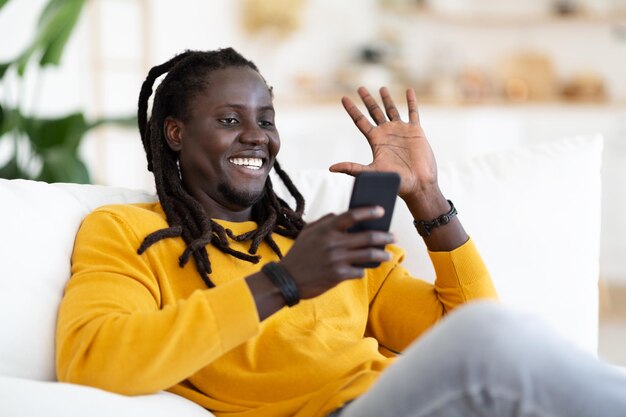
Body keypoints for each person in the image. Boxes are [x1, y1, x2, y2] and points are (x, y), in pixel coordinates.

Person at [55, 48, 626, 417]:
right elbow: (92, 358)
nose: (257, 137)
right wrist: (282, 282)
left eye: (266, 120)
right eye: (230, 120)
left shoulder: (318, 242)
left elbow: (465, 326)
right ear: (174, 134)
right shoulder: (126, 232)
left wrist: (427, 197)